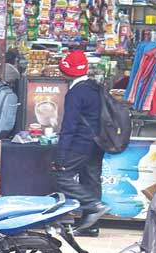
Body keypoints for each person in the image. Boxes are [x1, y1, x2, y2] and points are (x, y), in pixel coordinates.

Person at [54, 50, 109, 236]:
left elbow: (69, 126)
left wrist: (61, 156)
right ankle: (91, 226)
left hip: (80, 143)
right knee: (91, 180)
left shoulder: (76, 93)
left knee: (61, 177)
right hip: (97, 143)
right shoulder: (95, 87)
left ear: (67, 71)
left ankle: (93, 206)